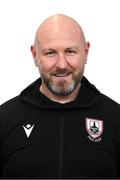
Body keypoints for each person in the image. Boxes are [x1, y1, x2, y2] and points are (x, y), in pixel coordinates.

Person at [0, 14, 120, 179]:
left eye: (70, 51)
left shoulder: (115, 118)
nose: (62, 65)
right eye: (50, 53)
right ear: (35, 55)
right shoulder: (4, 119)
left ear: (85, 52)